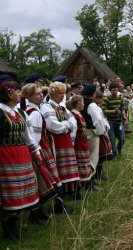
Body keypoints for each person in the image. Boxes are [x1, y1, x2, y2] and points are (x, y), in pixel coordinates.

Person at [22, 83, 72, 217]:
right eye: (38, 94)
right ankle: (37, 211)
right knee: (45, 179)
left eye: (41, 93)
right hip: (40, 148)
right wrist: (37, 151)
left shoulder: (34, 110)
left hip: (41, 147)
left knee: (47, 179)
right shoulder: (34, 113)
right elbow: (33, 137)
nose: (41, 96)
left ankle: (42, 210)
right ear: (30, 97)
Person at [0, 81, 40, 240]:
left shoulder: (21, 112)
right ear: (9, 94)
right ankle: (7, 225)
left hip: (22, 155)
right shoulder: (0, 112)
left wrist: (36, 150)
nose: (20, 94)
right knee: (9, 191)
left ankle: (14, 221)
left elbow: (28, 135)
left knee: (21, 189)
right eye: (17, 91)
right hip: (5, 156)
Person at [40, 82, 81, 199]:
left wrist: (65, 125)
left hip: (65, 141)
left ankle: (69, 192)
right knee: (58, 169)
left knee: (68, 168)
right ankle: (59, 196)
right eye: (59, 93)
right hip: (56, 142)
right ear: (52, 93)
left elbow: (73, 122)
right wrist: (67, 125)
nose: (62, 96)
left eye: (63, 93)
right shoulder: (46, 106)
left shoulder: (61, 107)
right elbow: (53, 126)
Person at [66, 95, 96, 186]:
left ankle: (86, 181)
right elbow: (73, 132)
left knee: (85, 162)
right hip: (78, 143)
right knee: (80, 163)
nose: (83, 104)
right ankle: (82, 183)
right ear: (78, 103)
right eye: (82, 102)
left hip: (83, 143)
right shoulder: (73, 115)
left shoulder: (78, 114)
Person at [81, 84, 107, 189]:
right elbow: (99, 120)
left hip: (83, 132)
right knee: (93, 158)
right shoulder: (92, 105)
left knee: (87, 156)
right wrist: (101, 132)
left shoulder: (82, 102)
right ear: (94, 93)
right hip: (91, 132)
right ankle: (89, 181)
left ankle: (87, 180)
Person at [102, 82, 125, 160]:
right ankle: (114, 155)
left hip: (119, 122)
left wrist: (124, 116)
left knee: (122, 139)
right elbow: (104, 110)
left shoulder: (120, 98)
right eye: (113, 90)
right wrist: (114, 111)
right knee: (112, 139)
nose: (114, 92)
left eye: (116, 90)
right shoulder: (106, 99)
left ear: (118, 90)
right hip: (110, 122)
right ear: (110, 91)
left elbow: (123, 108)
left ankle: (119, 148)